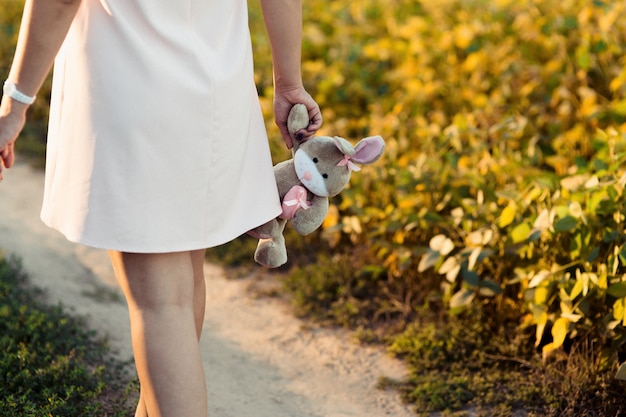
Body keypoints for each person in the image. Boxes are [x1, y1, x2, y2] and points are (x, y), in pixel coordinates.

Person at [0, 0, 322, 416]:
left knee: (162, 301)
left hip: (131, 88)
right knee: (183, 280)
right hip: (217, 86)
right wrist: (288, 82)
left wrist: (15, 103)